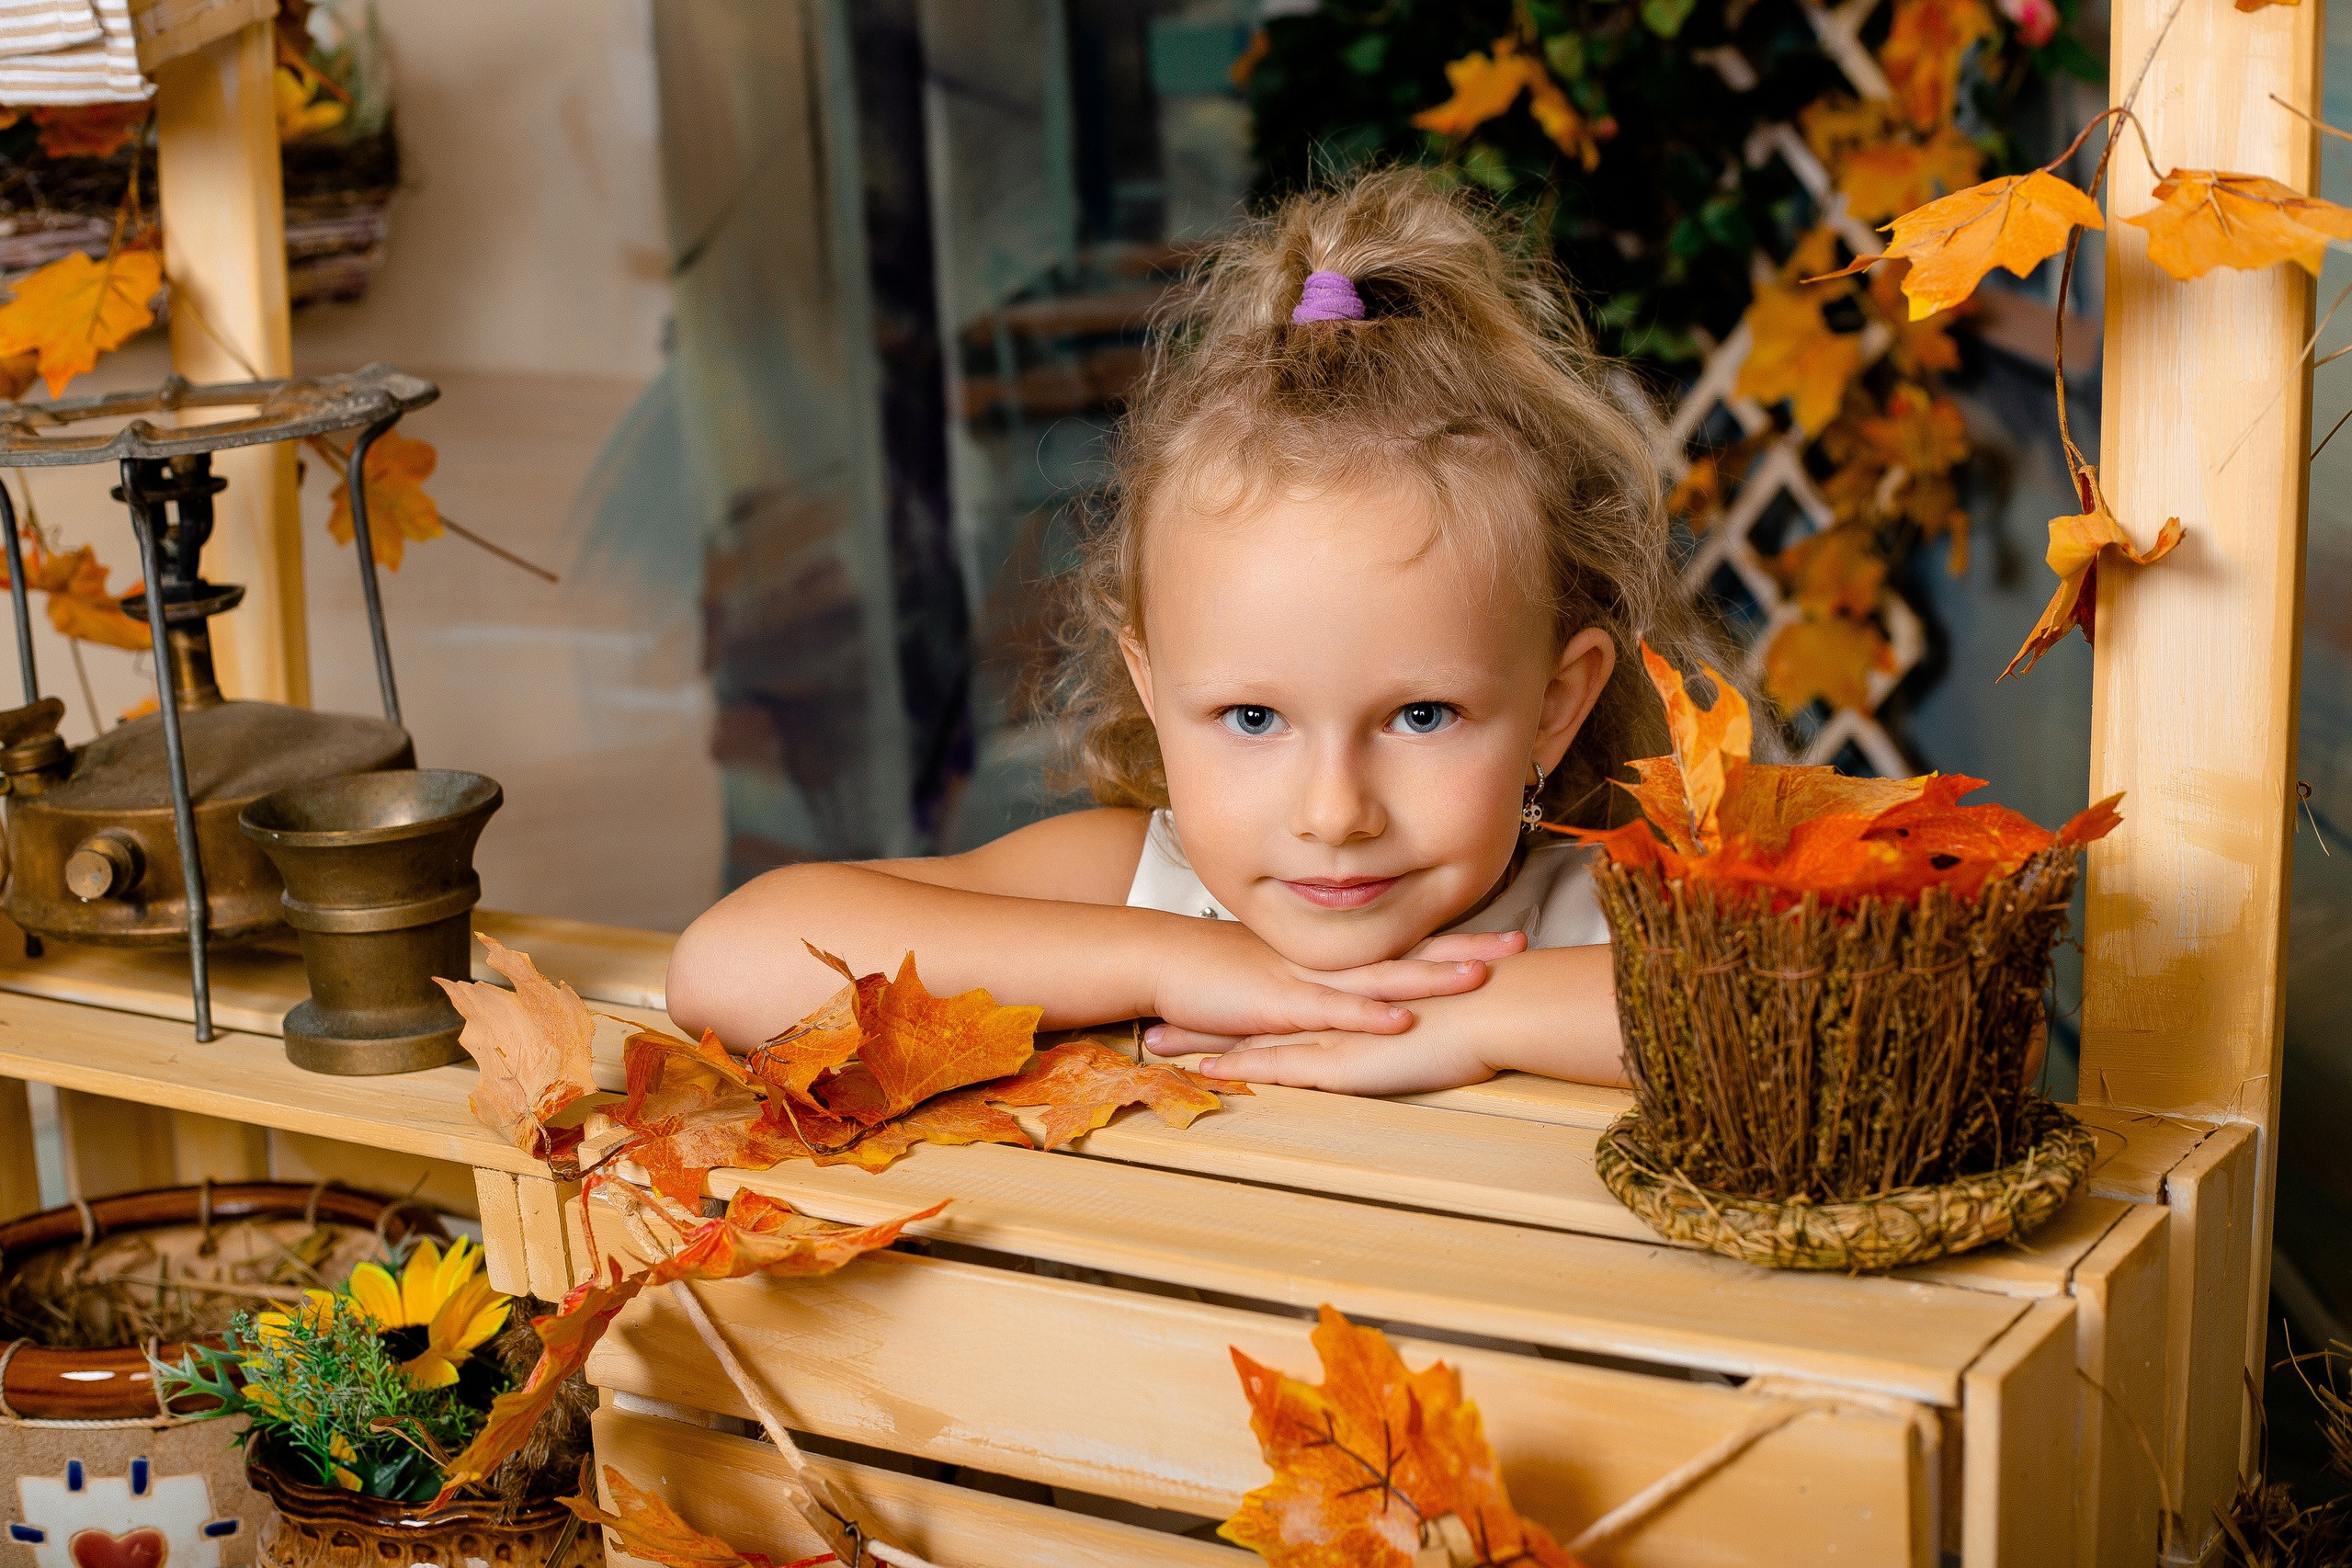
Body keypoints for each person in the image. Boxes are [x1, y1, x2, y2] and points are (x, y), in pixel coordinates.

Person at [665, 167, 1734, 1095]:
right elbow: (728, 964)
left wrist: (1468, 1017)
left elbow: (1818, 1032)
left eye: (1421, 714)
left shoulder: (1609, 918)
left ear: (1555, 704)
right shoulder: (1145, 887)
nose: (1335, 813)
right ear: (1154, 686)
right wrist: (1167, 962)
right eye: (1253, 717)